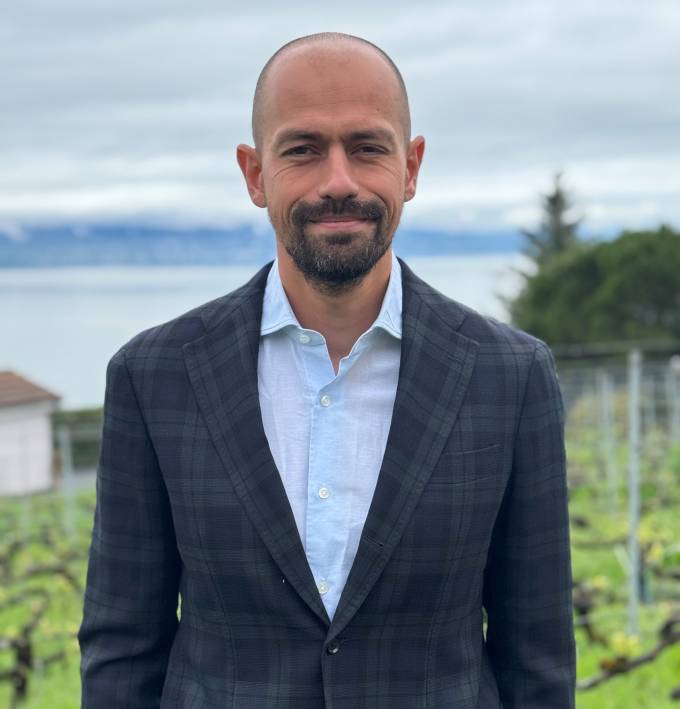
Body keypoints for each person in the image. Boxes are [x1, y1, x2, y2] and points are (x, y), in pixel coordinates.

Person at [78, 32, 576, 709]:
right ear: (255, 174)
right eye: (303, 150)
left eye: (367, 147)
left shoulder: (512, 377)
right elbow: (122, 652)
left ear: (411, 167)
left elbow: (538, 659)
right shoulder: (153, 376)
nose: (338, 181)